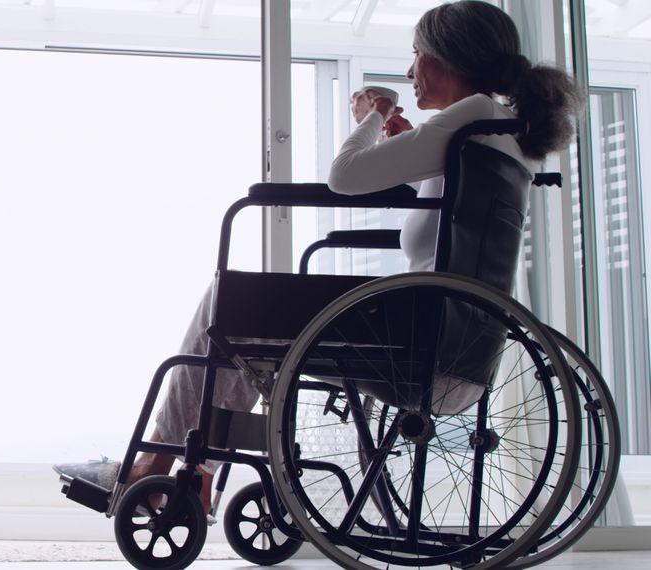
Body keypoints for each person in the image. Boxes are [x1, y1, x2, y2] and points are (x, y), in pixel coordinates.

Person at [55, 0, 583, 515]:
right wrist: (413, 146)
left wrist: (371, 116)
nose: (409, 69)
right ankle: (197, 477)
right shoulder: (495, 133)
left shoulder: (473, 116)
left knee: (229, 302)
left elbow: (345, 177)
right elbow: (448, 217)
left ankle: (151, 466)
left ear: (450, 57)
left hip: (420, 343)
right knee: (249, 329)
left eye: (417, 53)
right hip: (451, 349)